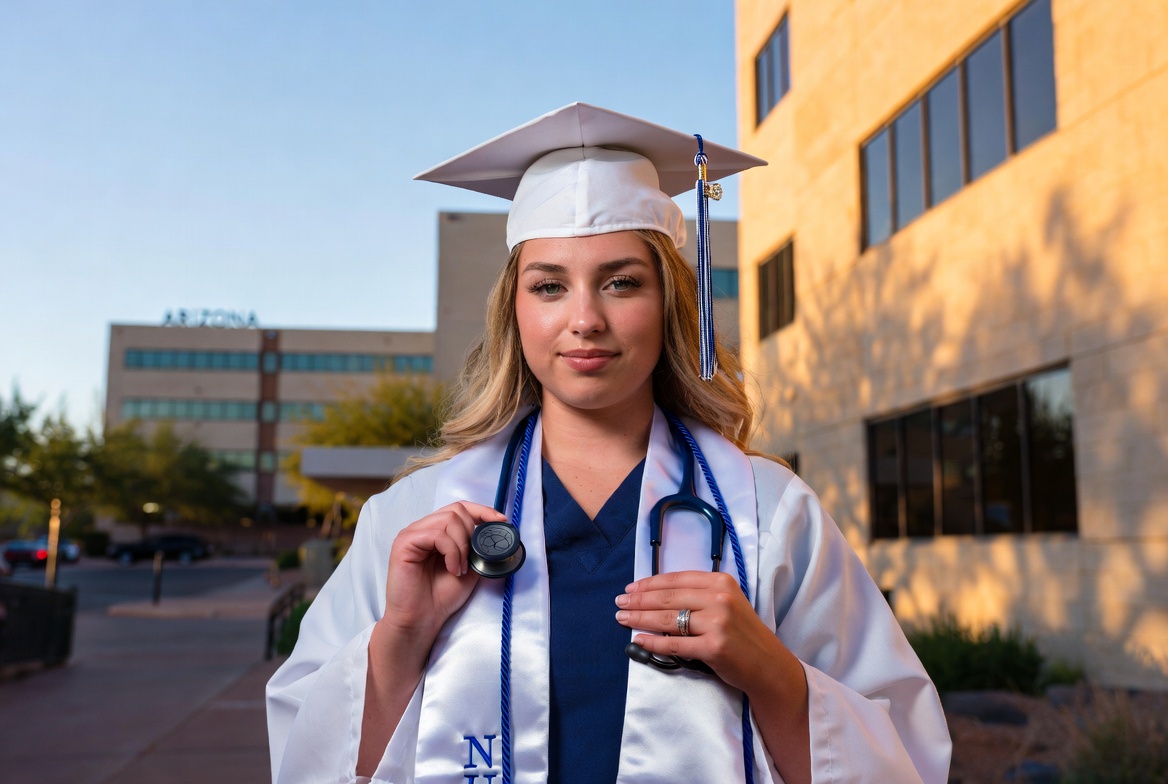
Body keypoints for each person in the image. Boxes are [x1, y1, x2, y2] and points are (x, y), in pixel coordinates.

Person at [267, 103, 952, 784]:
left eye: (622, 282)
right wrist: (404, 638)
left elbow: (907, 757)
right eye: (549, 287)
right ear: (516, 311)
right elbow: (304, 756)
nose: (586, 320)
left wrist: (771, 673)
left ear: (670, 304)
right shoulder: (414, 519)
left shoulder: (769, 516)